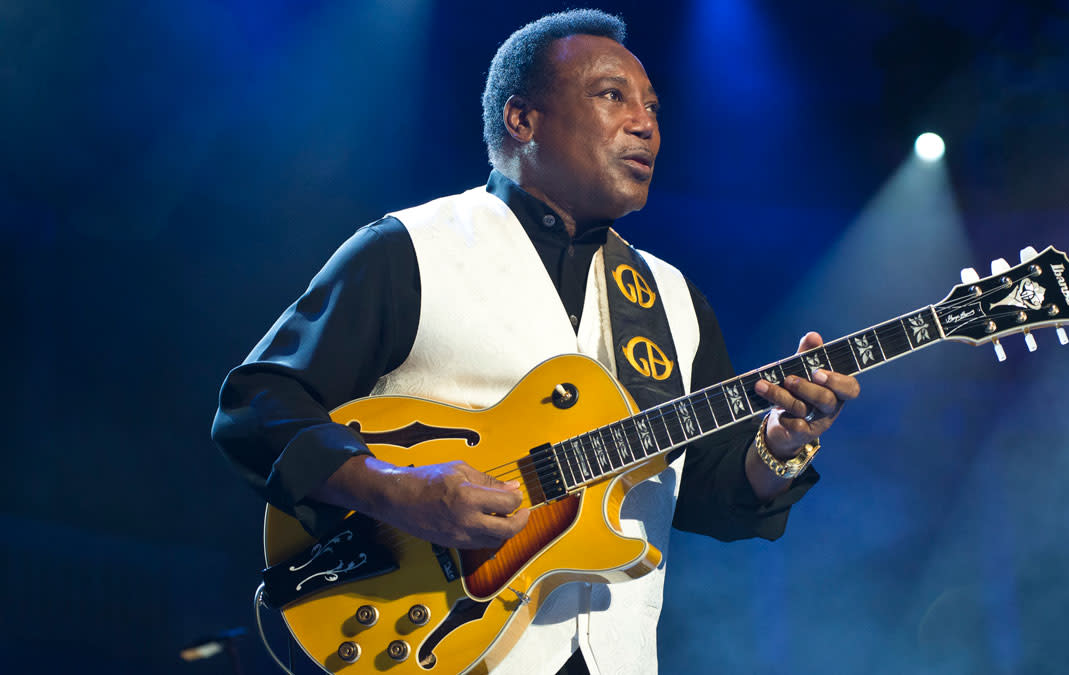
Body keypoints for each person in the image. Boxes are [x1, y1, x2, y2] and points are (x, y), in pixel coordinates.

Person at [212, 9, 860, 675]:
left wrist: (778, 445)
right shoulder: (413, 247)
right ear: (523, 120)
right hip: (436, 643)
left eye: (653, 108)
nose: (646, 125)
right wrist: (393, 489)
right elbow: (257, 404)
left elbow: (705, 491)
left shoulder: (673, 299)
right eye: (612, 96)